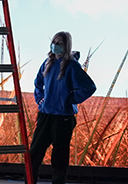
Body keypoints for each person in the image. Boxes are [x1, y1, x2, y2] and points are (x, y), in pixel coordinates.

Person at [29, 31, 96, 184]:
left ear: (66, 46)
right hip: (46, 115)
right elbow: (38, 83)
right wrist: (40, 100)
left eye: (59, 43)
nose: (56, 45)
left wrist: (70, 100)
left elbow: (89, 87)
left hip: (63, 118)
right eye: (54, 42)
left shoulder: (72, 66)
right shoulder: (47, 63)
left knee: (59, 157)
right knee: (34, 153)